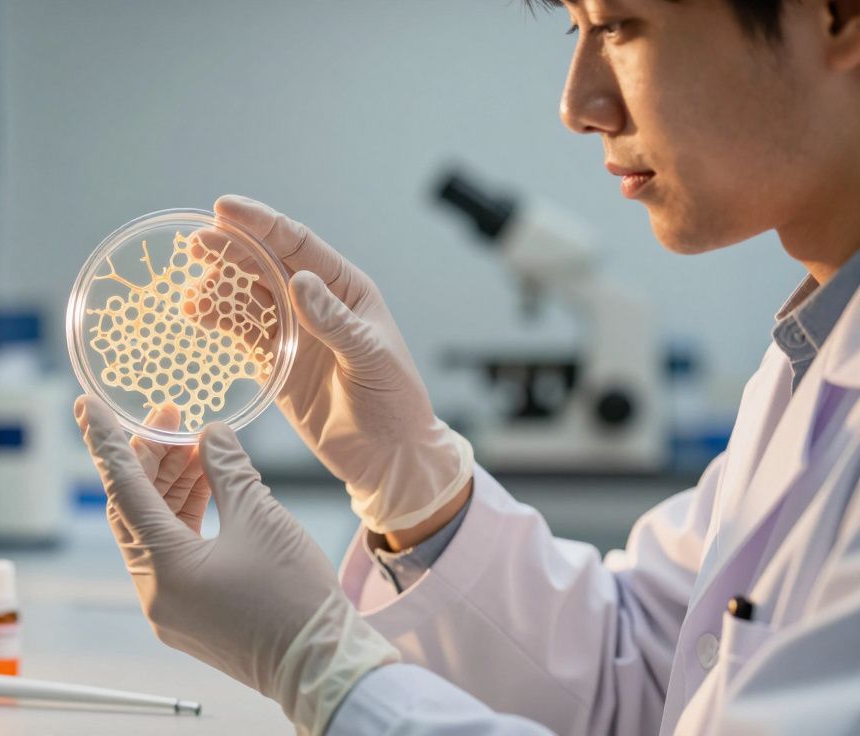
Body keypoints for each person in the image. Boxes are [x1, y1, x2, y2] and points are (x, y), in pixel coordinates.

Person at [74, 0, 860, 733]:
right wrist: (413, 486)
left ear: (836, 16)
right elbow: (647, 675)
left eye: (619, 24)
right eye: (572, 28)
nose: (578, 104)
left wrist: (323, 669)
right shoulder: (812, 358)